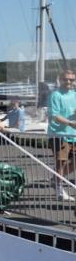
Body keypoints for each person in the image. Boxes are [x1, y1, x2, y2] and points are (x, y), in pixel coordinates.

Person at [47, 70, 76, 201]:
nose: (68, 82)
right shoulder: (55, 95)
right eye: (66, 79)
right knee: (61, 163)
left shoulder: (75, 94)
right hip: (58, 135)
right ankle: (59, 190)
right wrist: (70, 123)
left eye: (71, 79)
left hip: (73, 134)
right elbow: (54, 115)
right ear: (60, 79)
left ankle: (55, 178)